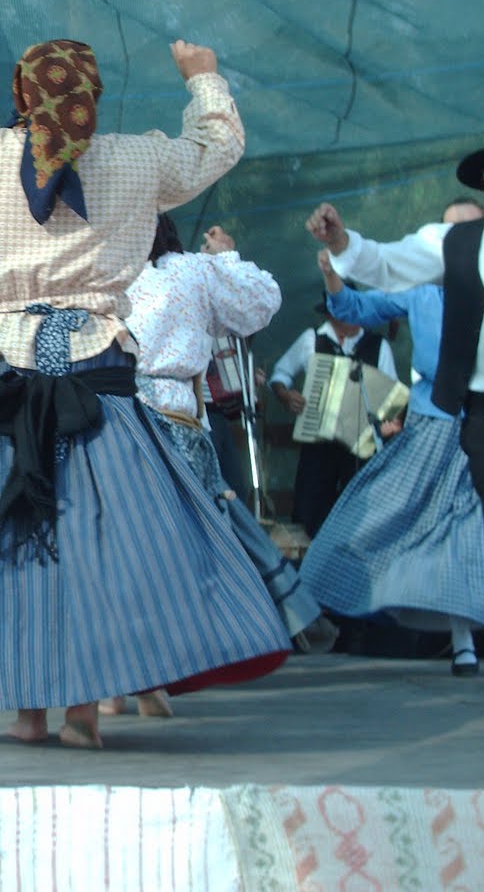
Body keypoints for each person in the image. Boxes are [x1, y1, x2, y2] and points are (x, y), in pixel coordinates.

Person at [0, 37, 289, 749]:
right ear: (93, 96)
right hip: (97, 378)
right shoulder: (138, 158)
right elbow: (215, 147)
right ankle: (84, 713)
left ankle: (27, 709)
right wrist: (204, 79)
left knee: (8, 534)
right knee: (97, 539)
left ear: (21, 94)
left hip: (3, 374)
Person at [310, 123, 484, 695]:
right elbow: (377, 274)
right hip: (463, 414)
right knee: (479, 531)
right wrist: (340, 250)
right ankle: (481, 639)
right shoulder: (434, 274)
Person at [124, 215, 330, 650]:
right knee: (201, 533)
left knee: (140, 540)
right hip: (174, 420)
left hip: (119, 424)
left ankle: (153, 647)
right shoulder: (190, 271)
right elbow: (260, 300)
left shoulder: (100, 275)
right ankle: (210, 640)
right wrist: (226, 257)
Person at [266, 288, 398, 539]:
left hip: (361, 445)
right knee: (310, 512)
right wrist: (286, 395)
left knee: (361, 515)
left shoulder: (378, 347)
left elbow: (391, 401)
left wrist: (382, 424)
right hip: (318, 441)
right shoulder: (311, 339)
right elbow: (280, 375)